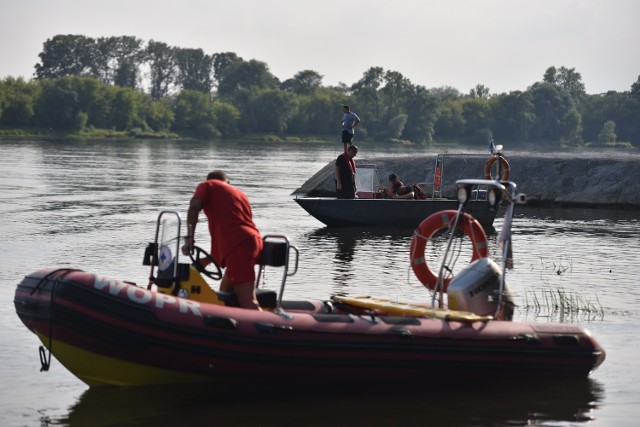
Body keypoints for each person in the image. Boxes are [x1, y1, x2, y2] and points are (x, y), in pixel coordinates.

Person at [181, 170, 263, 310]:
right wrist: (201, 264)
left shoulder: (207, 185)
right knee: (224, 291)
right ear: (229, 183)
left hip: (240, 245)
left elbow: (194, 206)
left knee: (248, 301)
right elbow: (228, 241)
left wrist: (189, 238)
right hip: (250, 241)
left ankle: (270, 328)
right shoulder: (240, 195)